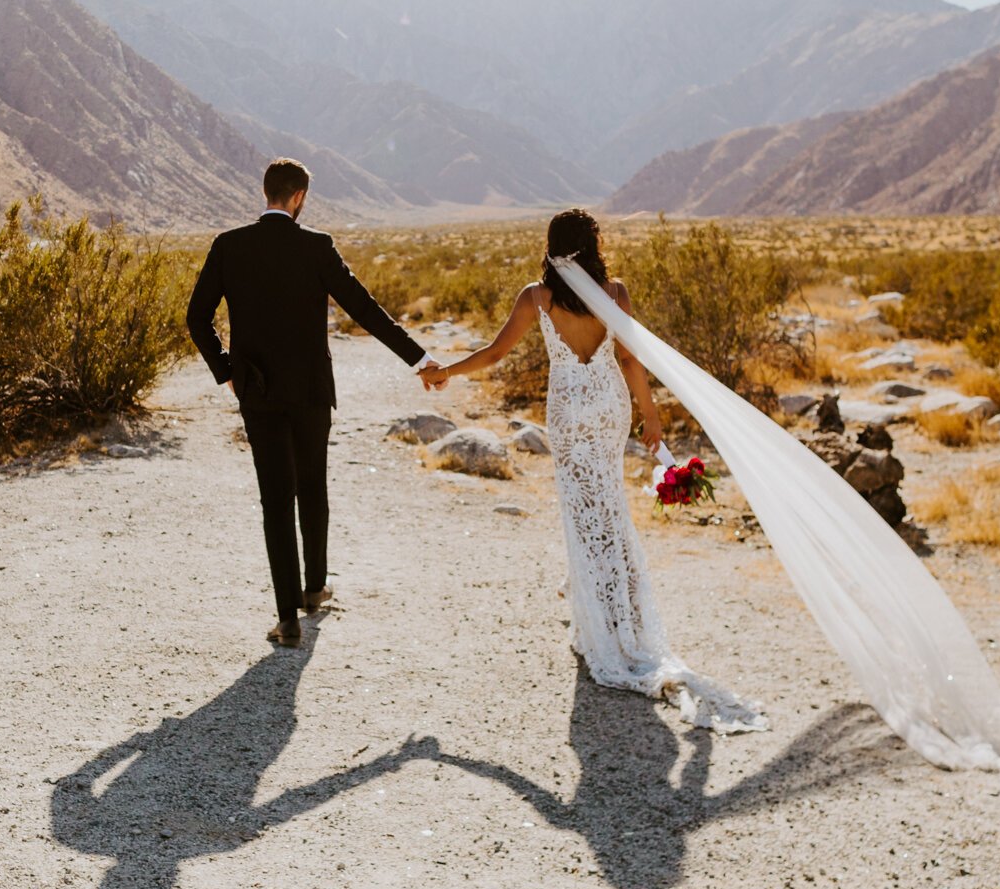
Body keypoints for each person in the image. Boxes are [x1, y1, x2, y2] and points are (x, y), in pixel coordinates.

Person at [423, 209, 766, 731]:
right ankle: (618, 615)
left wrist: (446, 371)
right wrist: (651, 419)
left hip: (569, 411)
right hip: (607, 408)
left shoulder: (536, 298)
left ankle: (602, 631)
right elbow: (630, 361)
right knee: (611, 508)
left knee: (583, 517)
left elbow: (494, 354)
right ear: (593, 246)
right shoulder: (616, 293)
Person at [186, 158, 445, 647]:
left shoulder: (229, 246)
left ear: (266, 194)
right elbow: (366, 309)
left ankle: (288, 618)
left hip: (257, 392)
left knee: (276, 501)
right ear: (300, 197)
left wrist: (228, 373)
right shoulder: (316, 247)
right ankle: (315, 587)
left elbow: (196, 318)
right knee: (313, 485)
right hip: (310, 392)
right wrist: (420, 360)